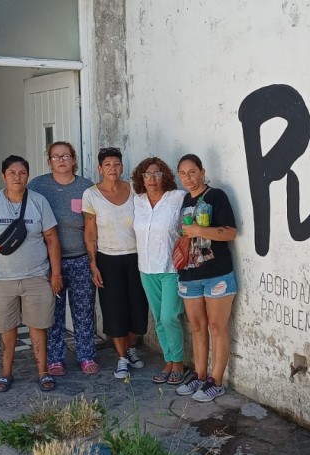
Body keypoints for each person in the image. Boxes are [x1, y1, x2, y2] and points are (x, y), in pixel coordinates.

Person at [0, 155, 63, 393]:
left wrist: (55, 274)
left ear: (28, 175)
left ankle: (43, 372)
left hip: (36, 276)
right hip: (0, 280)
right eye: (12, 173)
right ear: (3, 176)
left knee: (38, 326)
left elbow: (51, 239)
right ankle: (6, 373)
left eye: (22, 173)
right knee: (6, 328)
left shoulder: (38, 201)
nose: (17, 177)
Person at [27, 142, 100, 376]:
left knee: (84, 310)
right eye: (56, 156)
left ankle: (86, 355)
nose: (61, 160)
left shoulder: (86, 187)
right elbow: (17, 205)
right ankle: (55, 358)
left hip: (80, 259)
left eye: (66, 156)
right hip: (48, 262)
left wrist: (93, 260)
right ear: (49, 161)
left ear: (74, 159)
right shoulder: (38, 186)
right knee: (53, 311)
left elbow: (94, 224)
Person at [173, 154, 238, 402]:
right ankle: (200, 377)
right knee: (197, 327)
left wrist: (200, 230)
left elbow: (231, 233)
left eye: (192, 172)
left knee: (216, 327)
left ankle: (216, 381)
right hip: (189, 274)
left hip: (217, 273)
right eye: (182, 173)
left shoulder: (216, 196)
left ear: (202, 171)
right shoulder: (183, 200)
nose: (188, 178)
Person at [83, 147, 149, 379]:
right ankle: (122, 357)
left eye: (117, 164)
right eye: (108, 164)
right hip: (108, 259)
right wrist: (93, 265)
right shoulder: (91, 195)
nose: (113, 168)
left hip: (136, 258)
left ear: (122, 167)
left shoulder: (134, 191)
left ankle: (130, 348)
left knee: (138, 310)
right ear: (100, 168)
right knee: (115, 311)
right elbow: (90, 233)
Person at [131, 157, 189, 385]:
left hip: (171, 268)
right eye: (147, 174)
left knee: (169, 316)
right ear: (141, 178)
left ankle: (178, 363)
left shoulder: (177, 198)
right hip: (146, 268)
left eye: (157, 173)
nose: (152, 178)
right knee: (158, 319)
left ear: (165, 176)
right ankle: (169, 361)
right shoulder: (137, 201)